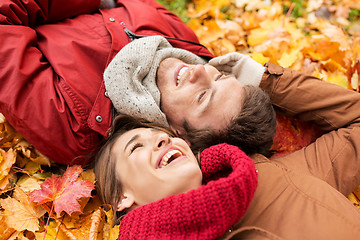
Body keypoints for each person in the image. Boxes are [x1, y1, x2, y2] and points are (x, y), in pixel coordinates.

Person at [95, 59, 360, 239]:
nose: (161, 141)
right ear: (121, 198)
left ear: (186, 143)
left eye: (220, 76)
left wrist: (266, 80)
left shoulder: (279, 177)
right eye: (136, 147)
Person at [0, 0, 276, 165]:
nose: (199, 72)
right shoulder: (183, 42)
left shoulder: (74, 128)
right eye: (220, 76)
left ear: (177, 134)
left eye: (202, 97)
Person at [95, 114, 259, 239]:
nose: (164, 138)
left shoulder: (261, 172)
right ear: (120, 197)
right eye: (136, 147)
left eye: (162, 134)